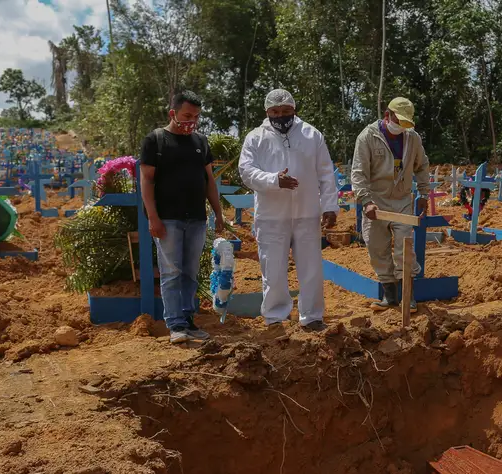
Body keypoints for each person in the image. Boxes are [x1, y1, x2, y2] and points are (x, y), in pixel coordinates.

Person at [239, 89, 338, 331]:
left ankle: (312, 317)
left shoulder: (311, 135)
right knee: (272, 270)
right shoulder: (255, 137)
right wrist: (274, 181)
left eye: (286, 111)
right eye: (275, 112)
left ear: (294, 111)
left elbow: (326, 172)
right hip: (271, 216)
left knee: (311, 268)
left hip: (307, 212)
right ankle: (275, 318)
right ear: (267, 112)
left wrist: (329, 206)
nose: (280, 116)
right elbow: (246, 171)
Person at [139, 90, 225, 345]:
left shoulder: (200, 142)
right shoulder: (155, 140)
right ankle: (175, 324)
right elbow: (146, 180)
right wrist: (153, 217)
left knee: (190, 272)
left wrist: (218, 213)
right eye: (187, 115)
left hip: (196, 218)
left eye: (196, 117)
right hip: (168, 219)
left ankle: (188, 320)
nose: (192, 121)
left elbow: (209, 180)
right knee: (171, 272)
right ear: (172, 113)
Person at [350, 97, 430, 311]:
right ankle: (390, 296)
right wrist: (366, 202)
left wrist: (423, 192)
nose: (401, 126)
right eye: (398, 120)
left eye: (406, 123)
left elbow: (422, 165)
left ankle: (408, 295)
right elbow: (358, 173)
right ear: (387, 115)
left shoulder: (412, 139)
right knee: (377, 247)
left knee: (404, 246)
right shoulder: (367, 137)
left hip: (402, 200)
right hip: (376, 201)